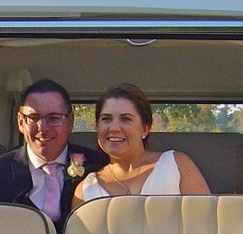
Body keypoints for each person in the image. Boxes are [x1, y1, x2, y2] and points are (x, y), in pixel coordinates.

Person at [0, 78, 108, 231]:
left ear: (71, 121)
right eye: (34, 118)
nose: (43, 128)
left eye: (54, 118)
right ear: (21, 122)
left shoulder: (99, 167)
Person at [72, 83, 210, 208]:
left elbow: (205, 225)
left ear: (145, 128)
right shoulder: (85, 190)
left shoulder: (176, 165)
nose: (114, 128)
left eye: (126, 119)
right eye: (106, 119)